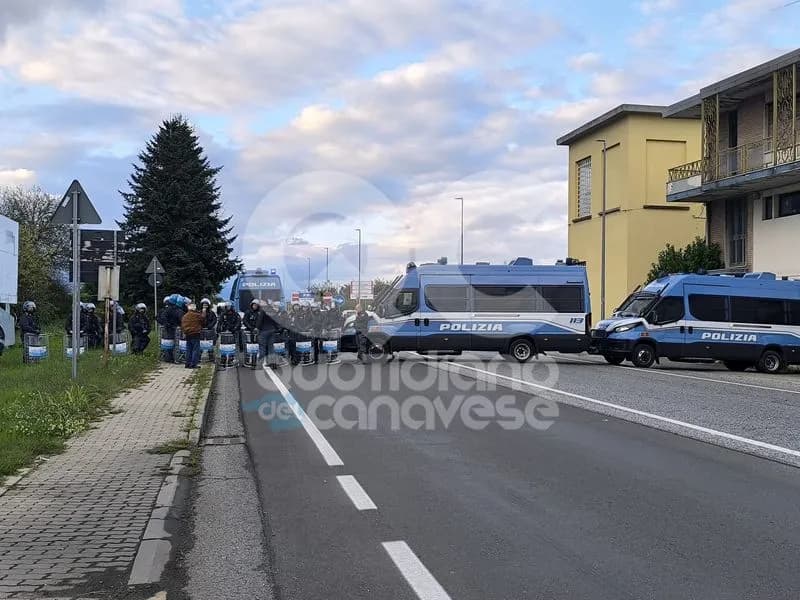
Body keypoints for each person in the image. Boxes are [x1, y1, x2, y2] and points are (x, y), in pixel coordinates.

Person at [181, 303, 204, 368]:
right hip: (195, 333)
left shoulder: (185, 316)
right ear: (194, 308)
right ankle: (193, 364)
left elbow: (182, 325)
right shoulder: (197, 315)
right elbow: (203, 320)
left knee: (188, 349)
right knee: (195, 349)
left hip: (187, 334)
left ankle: (187, 363)